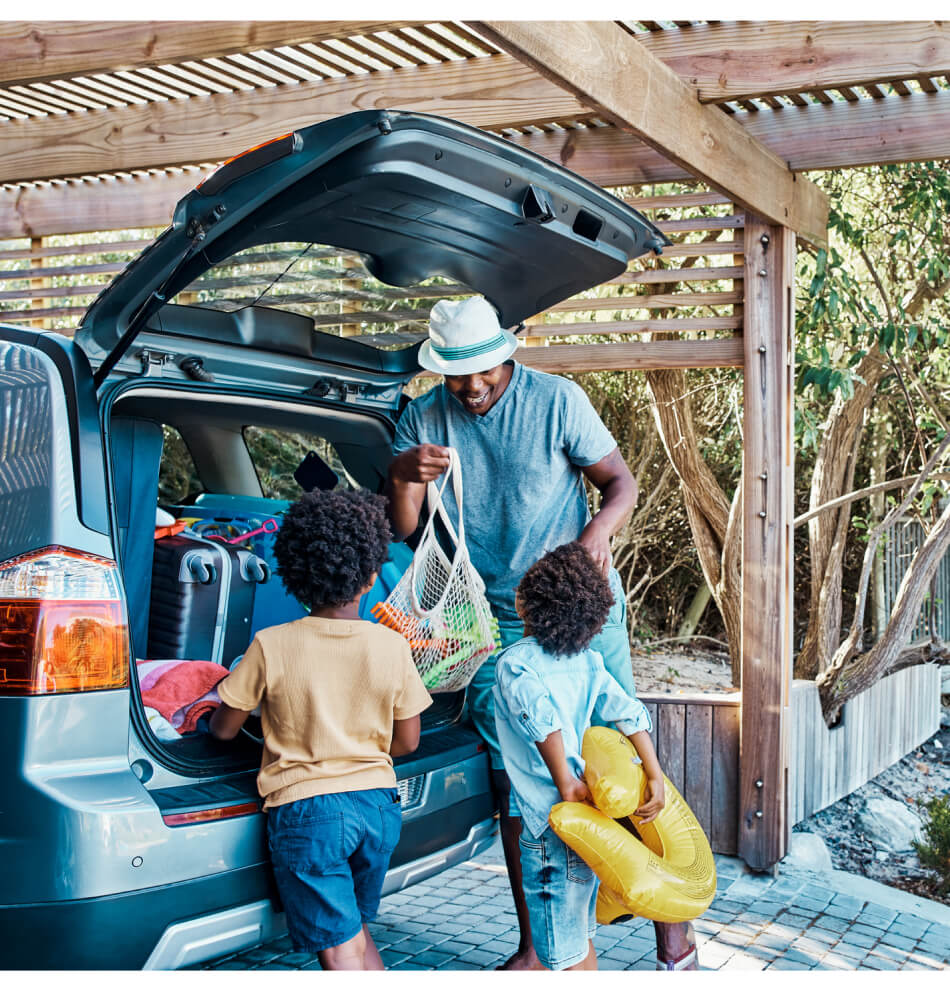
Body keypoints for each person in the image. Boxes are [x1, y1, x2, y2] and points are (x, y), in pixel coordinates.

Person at [385, 295, 696, 969]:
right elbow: (408, 530)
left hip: (580, 604)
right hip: (492, 616)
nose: (471, 388)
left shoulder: (557, 400)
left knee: (618, 755)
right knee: (518, 778)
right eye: (456, 374)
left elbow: (620, 483)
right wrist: (404, 475)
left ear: (507, 351)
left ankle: (673, 931)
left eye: (483, 372)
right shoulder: (424, 415)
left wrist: (591, 542)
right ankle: (536, 944)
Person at [210, 489, 432, 970]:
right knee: (351, 930)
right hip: (378, 808)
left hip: (309, 813)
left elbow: (223, 729)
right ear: (373, 574)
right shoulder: (392, 646)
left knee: (339, 947)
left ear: (295, 575)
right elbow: (408, 741)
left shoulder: (271, 645)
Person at [493, 542, 668, 971]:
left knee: (564, 957)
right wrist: (655, 774)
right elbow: (628, 712)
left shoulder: (515, 663)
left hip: (550, 824)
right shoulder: (588, 662)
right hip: (590, 821)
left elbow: (541, 718)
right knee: (580, 940)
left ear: (522, 603)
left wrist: (565, 783)